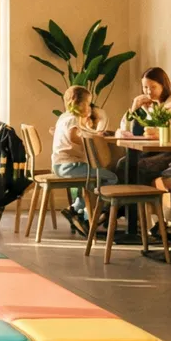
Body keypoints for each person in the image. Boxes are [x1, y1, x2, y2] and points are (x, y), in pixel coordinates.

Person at [51, 85, 116, 235]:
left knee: (90, 180)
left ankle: (75, 209)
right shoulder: (73, 120)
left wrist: (89, 130)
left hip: (61, 165)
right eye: (87, 103)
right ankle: (89, 216)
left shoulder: (64, 117)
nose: (89, 106)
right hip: (69, 166)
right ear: (78, 104)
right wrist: (94, 137)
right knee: (111, 177)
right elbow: (75, 137)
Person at [125, 67, 171, 184]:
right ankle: (126, 201)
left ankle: (134, 201)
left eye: (153, 87)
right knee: (124, 163)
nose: (149, 92)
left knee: (137, 167)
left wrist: (148, 113)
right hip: (158, 150)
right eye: (145, 87)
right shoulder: (153, 104)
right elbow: (134, 132)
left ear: (163, 85)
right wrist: (135, 107)